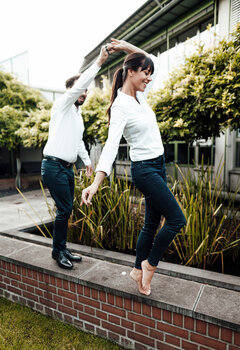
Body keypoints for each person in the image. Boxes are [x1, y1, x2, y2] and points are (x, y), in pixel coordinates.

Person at [81, 38, 186, 295]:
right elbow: (110, 147)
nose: (149, 78)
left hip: (158, 165)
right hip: (145, 170)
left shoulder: (140, 95)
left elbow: (156, 62)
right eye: (145, 73)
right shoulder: (121, 107)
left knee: (151, 225)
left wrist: (128, 47)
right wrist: (96, 182)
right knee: (176, 219)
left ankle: (137, 271)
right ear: (131, 72)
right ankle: (150, 265)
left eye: (149, 74)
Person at [41, 45, 110, 270]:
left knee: (67, 209)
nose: (85, 93)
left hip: (67, 168)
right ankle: (57, 251)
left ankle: (63, 247)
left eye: (87, 91)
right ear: (71, 90)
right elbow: (80, 84)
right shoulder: (62, 105)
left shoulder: (77, 116)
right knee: (64, 210)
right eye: (81, 90)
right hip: (52, 167)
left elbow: (79, 140)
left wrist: (88, 162)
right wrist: (98, 63)